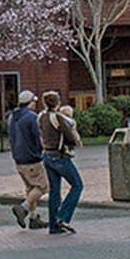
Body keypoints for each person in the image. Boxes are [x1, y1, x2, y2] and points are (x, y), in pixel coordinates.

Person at [37, 92, 84, 234]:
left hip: (47, 156)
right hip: (60, 156)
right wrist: (75, 142)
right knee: (77, 185)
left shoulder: (41, 117)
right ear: (58, 103)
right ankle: (62, 217)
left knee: (54, 191)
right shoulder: (57, 117)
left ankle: (53, 226)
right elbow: (70, 135)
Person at [7, 90, 46, 228]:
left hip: (18, 158)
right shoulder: (31, 117)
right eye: (34, 101)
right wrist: (40, 150)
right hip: (31, 158)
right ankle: (23, 208)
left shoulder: (12, 117)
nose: (35, 104)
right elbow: (37, 137)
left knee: (30, 188)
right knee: (42, 186)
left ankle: (34, 217)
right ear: (30, 102)